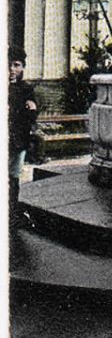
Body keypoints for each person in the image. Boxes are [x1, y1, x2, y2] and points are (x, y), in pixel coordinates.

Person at [8, 49, 39, 226]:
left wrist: (33, 110)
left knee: (13, 177)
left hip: (18, 141)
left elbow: (31, 116)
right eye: (9, 65)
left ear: (23, 67)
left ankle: (12, 212)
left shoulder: (26, 89)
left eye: (16, 65)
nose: (12, 69)